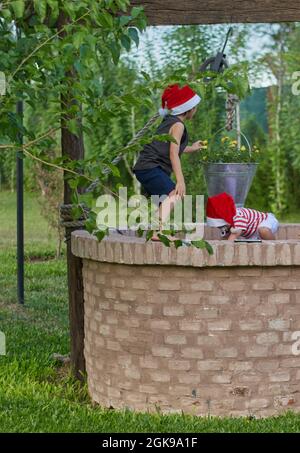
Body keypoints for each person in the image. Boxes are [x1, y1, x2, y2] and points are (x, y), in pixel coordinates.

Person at [132, 84, 206, 241]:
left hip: (145, 167)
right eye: (195, 107)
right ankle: (157, 232)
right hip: (151, 167)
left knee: (163, 201)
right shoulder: (178, 125)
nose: (196, 110)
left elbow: (169, 146)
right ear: (188, 108)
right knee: (175, 194)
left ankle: (155, 229)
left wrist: (192, 148)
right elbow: (173, 153)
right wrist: (180, 181)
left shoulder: (169, 121)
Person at [206, 192, 279, 240]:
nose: (221, 228)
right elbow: (225, 238)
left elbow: (232, 238)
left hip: (266, 220)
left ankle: (275, 245)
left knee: (263, 231)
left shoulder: (238, 217)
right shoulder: (227, 225)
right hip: (252, 233)